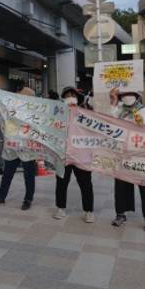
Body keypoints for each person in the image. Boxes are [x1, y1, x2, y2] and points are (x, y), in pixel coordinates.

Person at [110, 87, 145, 231]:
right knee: (121, 185)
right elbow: (109, 121)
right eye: (124, 95)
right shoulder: (119, 110)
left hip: (142, 154)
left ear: (137, 96)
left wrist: (143, 126)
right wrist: (113, 99)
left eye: (130, 94)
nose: (127, 97)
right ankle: (120, 214)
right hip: (123, 153)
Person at [0, 87, 39, 211]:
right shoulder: (11, 109)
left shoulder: (35, 112)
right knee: (7, 173)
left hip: (27, 148)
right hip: (13, 146)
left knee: (29, 175)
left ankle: (28, 199)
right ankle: (1, 195)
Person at [54, 87, 95, 222]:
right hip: (64, 154)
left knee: (86, 184)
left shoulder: (86, 112)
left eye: (72, 95)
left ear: (77, 98)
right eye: (67, 96)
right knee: (61, 182)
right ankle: (60, 208)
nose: (70, 98)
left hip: (81, 155)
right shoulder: (58, 113)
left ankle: (88, 211)